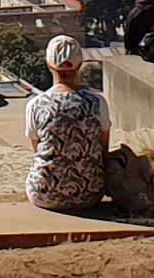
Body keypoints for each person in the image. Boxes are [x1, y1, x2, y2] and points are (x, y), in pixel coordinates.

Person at [24, 35, 110, 210]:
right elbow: (103, 149)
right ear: (79, 65)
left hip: (44, 194)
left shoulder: (36, 105)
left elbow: (38, 149)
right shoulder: (97, 102)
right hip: (91, 193)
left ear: (48, 64)